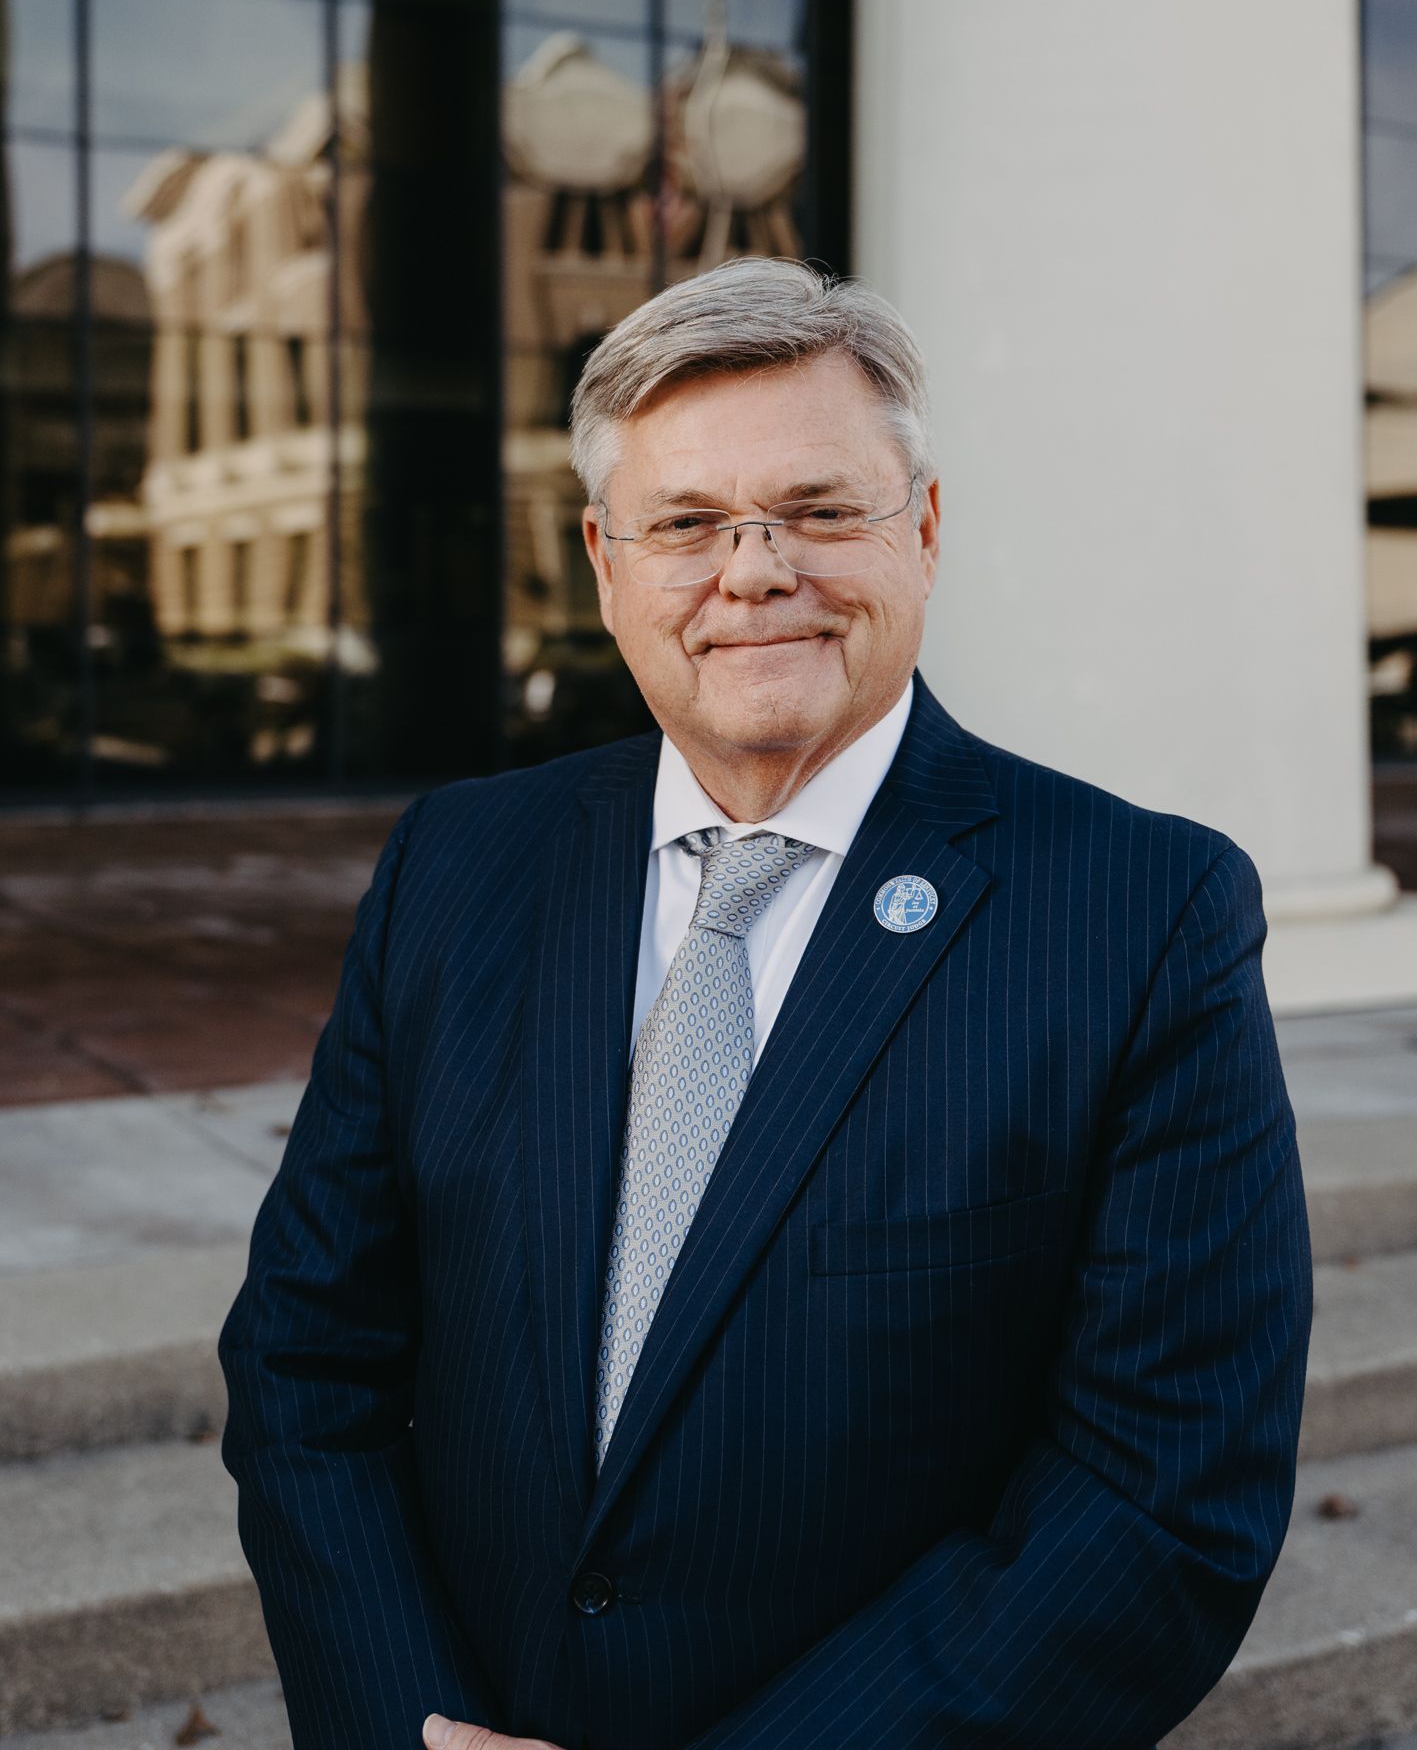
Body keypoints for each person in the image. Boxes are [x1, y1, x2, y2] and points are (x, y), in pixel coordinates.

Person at [219, 257, 1312, 1750]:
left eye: (815, 511)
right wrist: (401, 1725)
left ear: (921, 531)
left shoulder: (1142, 914)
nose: (751, 572)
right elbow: (305, 1356)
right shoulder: (457, 864)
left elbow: (1158, 1489)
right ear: (606, 567)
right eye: (685, 524)